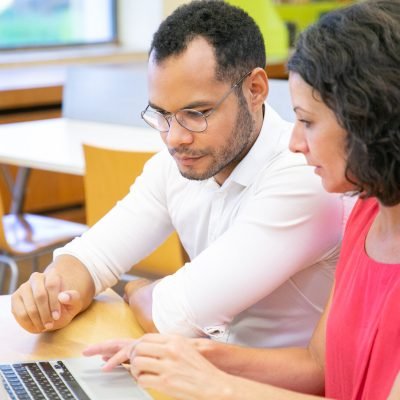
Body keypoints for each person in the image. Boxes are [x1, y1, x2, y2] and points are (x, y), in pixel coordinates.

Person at [83, 0, 400, 399]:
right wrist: (182, 356)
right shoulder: (366, 216)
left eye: (307, 121)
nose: (296, 142)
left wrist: (217, 385)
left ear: (371, 119)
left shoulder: (319, 192)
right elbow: (320, 368)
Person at [11, 1, 344, 349]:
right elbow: (93, 256)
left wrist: (137, 289)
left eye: (197, 113)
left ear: (256, 90)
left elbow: (175, 316)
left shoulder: (303, 174)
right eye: (161, 115)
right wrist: (51, 293)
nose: (175, 138)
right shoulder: (178, 165)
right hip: (203, 373)